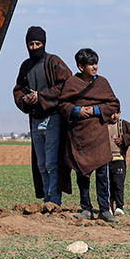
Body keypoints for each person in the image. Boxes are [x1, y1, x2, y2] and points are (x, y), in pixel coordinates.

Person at [47, 48, 122, 221]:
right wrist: (77, 111)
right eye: (90, 64)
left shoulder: (102, 83)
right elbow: (63, 104)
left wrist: (96, 109)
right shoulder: (72, 83)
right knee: (82, 175)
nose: (95, 67)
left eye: (96, 63)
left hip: (98, 136)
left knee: (102, 175)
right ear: (81, 66)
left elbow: (113, 104)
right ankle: (86, 208)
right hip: (79, 136)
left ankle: (104, 210)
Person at [11, 26, 71, 205]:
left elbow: (67, 85)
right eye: (31, 44)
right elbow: (18, 89)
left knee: (52, 163)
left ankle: (54, 201)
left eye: (37, 43)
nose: (34, 47)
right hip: (35, 120)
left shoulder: (54, 62)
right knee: (41, 164)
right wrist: (25, 99)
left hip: (53, 118)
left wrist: (41, 96)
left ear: (43, 43)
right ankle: (47, 199)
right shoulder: (26, 66)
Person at [103, 117, 130, 217]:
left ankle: (119, 206)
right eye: (111, 113)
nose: (113, 116)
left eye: (116, 113)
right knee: (107, 184)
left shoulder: (122, 124)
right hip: (105, 160)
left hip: (119, 159)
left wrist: (124, 139)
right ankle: (109, 207)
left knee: (118, 184)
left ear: (119, 113)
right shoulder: (103, 124)